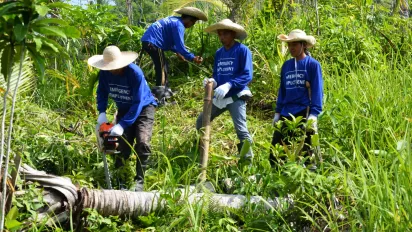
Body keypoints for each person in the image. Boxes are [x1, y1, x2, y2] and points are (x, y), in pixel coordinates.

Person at [88, 45, 157, 191]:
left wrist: (122, 124)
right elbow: (102, 92)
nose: (112, 70)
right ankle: (121, 179)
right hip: (124, 108)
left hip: (144, 108)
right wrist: (101, 112)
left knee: (143, 142)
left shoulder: (134, 73)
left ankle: (139, 181)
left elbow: (138, 102)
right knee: (120, 144)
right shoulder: (104, 73)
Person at [196, 19, 254, 160]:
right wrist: (213, 81)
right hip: (221, 96)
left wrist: (229, 84)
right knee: (201, 122)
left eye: (225, 34)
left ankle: (247, 162)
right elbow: (217, 74)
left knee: (241, 130)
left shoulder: (242, 50)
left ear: (233, 34)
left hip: (236, 95)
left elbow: (247, 75)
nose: (222, 37)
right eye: (220, 34)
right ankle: (200, 154)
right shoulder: (219, 53)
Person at [269, 29, 323, 167]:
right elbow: (282, 90)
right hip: (286, 113)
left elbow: (317, 90)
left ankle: (310, 182)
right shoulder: (286, 66)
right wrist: (277, 112)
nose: (291, 48)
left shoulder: (312, 65)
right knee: (276, 153)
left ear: (303, 45)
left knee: (306, 154)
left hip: (303, 112)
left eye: (294, 45)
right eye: (289, 45)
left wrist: (314, 114)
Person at [140, 7, 208, 103]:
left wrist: (178, 53)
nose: (192, 25)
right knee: (162, 70)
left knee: (164, 67)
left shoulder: (174, 20)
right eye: (193, 22)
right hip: (153, 43)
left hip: (149, 41)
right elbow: (180, 46)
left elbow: (169, 42)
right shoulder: (179, 25)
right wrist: (192, 57)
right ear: (189, 20)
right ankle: (159, 100)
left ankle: (166, 93)